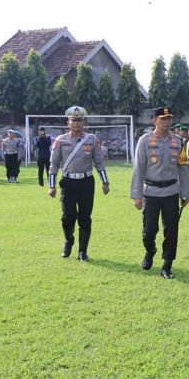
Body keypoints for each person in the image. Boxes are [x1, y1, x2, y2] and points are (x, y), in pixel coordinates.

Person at [131, 106, 189, 279]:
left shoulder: (179, 142)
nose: (166, 122)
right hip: (150, 192)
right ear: (154, 120)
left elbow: (183, 168)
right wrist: (137, 195)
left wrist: (185, 193)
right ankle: (150, 251)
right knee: (149, 231)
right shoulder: (144, 141)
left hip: (171, 192)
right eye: (162, 119)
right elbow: (138, 169)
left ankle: (167, 265)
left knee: (171, 231)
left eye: (169, 119)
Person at [48, 106, 109, 262]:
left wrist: (105, 182)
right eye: (73, 120)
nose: (77, 123)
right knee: (67, 217)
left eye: (80, 120)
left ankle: (83, 251)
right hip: (68, 182)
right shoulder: (60, 140)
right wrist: (52, 186)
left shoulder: (92, 140)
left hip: (86, 183)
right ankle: (68, 241)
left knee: (85, 217)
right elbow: (53, 164)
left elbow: (99, 163)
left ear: (84, 122)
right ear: (68, 122)